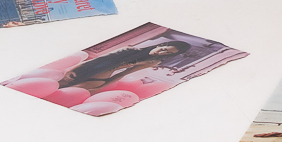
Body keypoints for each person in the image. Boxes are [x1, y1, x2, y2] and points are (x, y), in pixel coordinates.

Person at [57, 40, 191, 93]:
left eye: (168, 53)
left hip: (99, 78)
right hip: (85, 69)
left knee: (65, 92)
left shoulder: (152, 62)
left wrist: (102, 86)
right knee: (58, 84)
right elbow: (99, 59)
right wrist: (72, 70)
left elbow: (123, 74)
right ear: (160, 45)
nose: (162, 53)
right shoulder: (129, 49)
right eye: (164, 49)